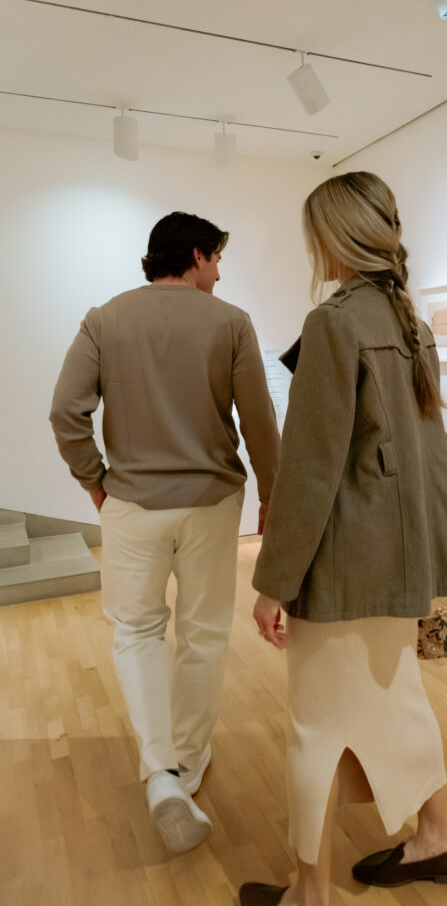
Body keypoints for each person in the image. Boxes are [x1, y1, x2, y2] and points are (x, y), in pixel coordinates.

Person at [241, 173, 447, 906]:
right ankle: (435, 836)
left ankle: (308, 893)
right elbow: (432, 458)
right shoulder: (410, 324)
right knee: (394, 700)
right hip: (397, 563)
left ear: (334, 237)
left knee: (315, 726)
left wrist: (272, 583)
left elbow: (310, 472)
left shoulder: (335, 325)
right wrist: (437, 566)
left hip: (343, 568)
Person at [50, 211, 280, 854]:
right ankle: (188, 761)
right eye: (217, 261)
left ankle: (159, 775)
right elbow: (260, 423)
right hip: (211, 505)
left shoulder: (105, 317)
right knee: (203, 636)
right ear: (198, 256)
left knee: (136, 633)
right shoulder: (231, 321)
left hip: (131, 504)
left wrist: (95, 480)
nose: (220, 273)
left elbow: (65, 410)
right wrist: (272, 498)